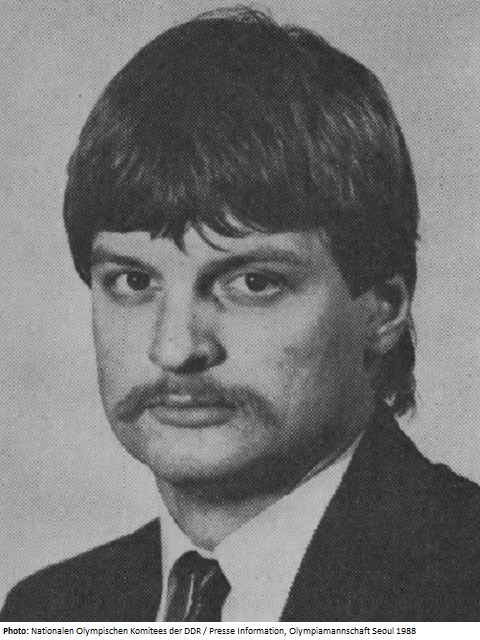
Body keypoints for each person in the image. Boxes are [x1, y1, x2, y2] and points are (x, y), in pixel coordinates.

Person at [2, 6, 480, 623]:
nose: (175, 347)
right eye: (133, 280)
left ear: (382, 310)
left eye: (253, 282)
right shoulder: (53, 608)